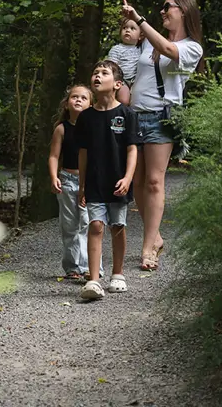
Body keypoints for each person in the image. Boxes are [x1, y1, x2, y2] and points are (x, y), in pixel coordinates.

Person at [120, 0, 205, 271]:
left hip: (161, 118)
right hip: (135, 116)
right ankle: (155, 237)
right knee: (138, 184)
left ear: (183, 10)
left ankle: (147, 248)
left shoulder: (193, 47)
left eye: (167, 6)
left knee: (155, 182)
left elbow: (169, 51)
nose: (162, 11)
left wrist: (139, 19)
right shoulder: (147, 42)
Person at [76, 60, 140, 300]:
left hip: (118, 182)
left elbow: (132, 149)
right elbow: (82, 152)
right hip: (94, 181)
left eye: (104, 73)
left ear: (117, 84)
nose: (97, 76)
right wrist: (81, 184)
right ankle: (93, 280)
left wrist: (128, 177)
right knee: (95, 225)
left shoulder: (127, 114)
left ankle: (118, 273)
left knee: (118, 226)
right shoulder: (85, 117)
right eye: (95, 72)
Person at [47, 84, 91, 280]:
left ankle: (89, 266)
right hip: (67, 179)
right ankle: (73, 267)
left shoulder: (93, 128)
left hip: (89, 181)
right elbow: (54, 156)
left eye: (84, 97)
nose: (79, 100)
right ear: (67, 104)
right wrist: (54, 176)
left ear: (91, 104)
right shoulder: (61, 129)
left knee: (88, 223)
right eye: (74, 97)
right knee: (69, 224)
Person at [107, 18, 142, 105]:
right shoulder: (117, 49)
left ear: (140, 36)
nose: (127, 30)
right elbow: (111, 67)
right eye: (124, 28)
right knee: (124, 100)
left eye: (132, 28)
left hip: (136, 80)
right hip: (123, 80)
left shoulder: (141, 49)